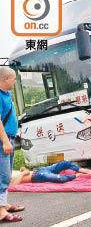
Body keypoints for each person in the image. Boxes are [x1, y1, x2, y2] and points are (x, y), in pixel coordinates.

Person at [0, 67, 23, 222]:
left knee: (5, 174)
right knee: (3, 175)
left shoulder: (6, 95)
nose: (15, 81)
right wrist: (6, 141)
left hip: (10, 138)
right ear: (6, 79)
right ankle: (1, 211)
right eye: (14, 78)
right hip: (3, 141)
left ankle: (4, 204)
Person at [9, 161, 91, 185]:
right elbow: (13, 184)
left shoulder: (5, 170)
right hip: (37, 176)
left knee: (64, 163)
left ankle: (86, 171)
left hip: (39, 170)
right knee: (60, 178)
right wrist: (23, 173)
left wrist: (22, 170)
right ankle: (77, 175)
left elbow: (21, 172)